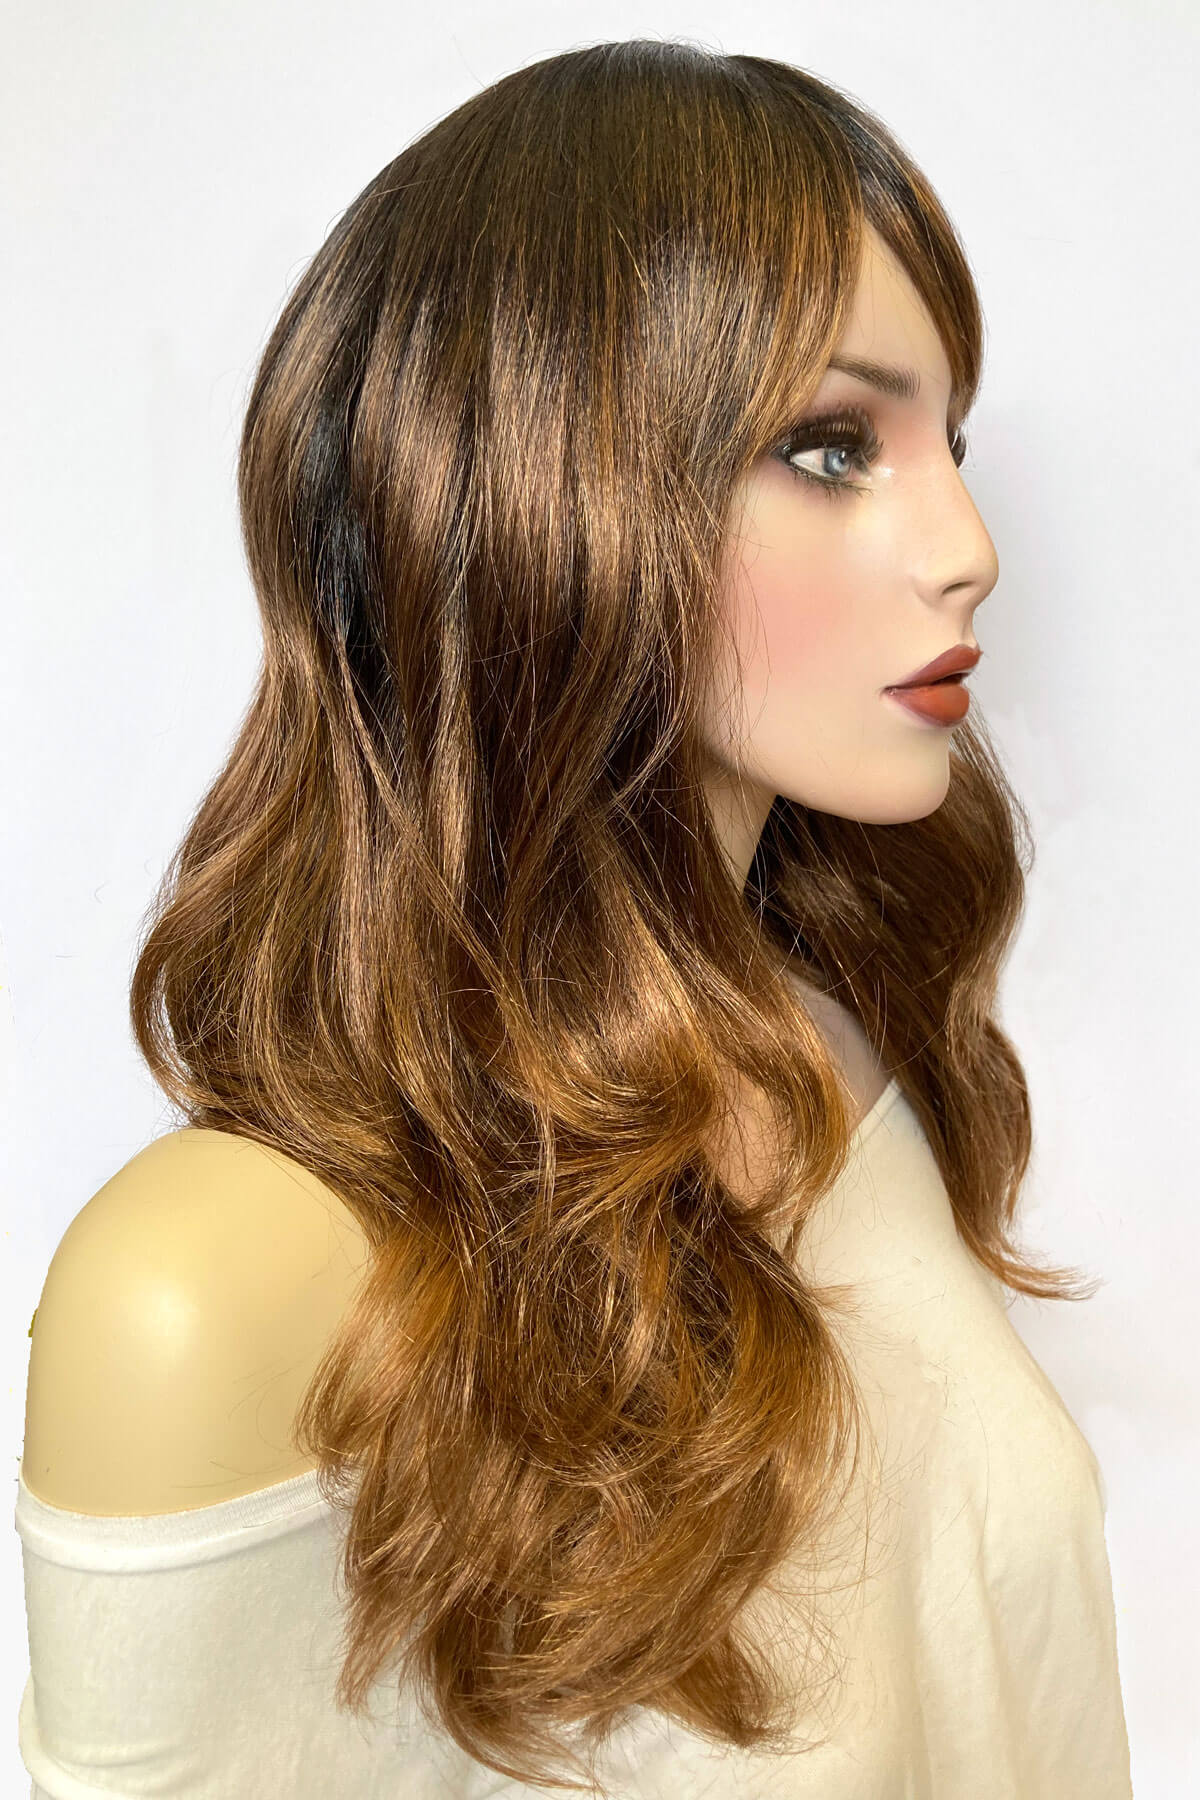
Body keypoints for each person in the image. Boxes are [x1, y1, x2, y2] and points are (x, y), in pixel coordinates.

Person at [16, 38, 1133, 1799]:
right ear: (541, 484)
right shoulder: (204, 1295)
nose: (970, 543)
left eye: (949, 439)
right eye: (834, 445)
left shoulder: (854, 1060)